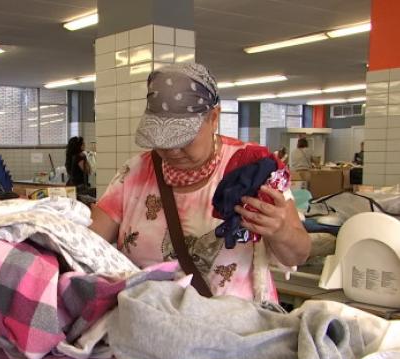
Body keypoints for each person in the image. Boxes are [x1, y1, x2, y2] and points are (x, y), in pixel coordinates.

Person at [89, 63, 310, 303]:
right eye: (161, 139)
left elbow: (298, 255)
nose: (172, 150)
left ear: (213, 118)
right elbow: (87, 242)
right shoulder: (134, 173)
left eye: (183, 138)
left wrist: (280, 231)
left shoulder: (251, 167)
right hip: (151, 320)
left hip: (234, 323)